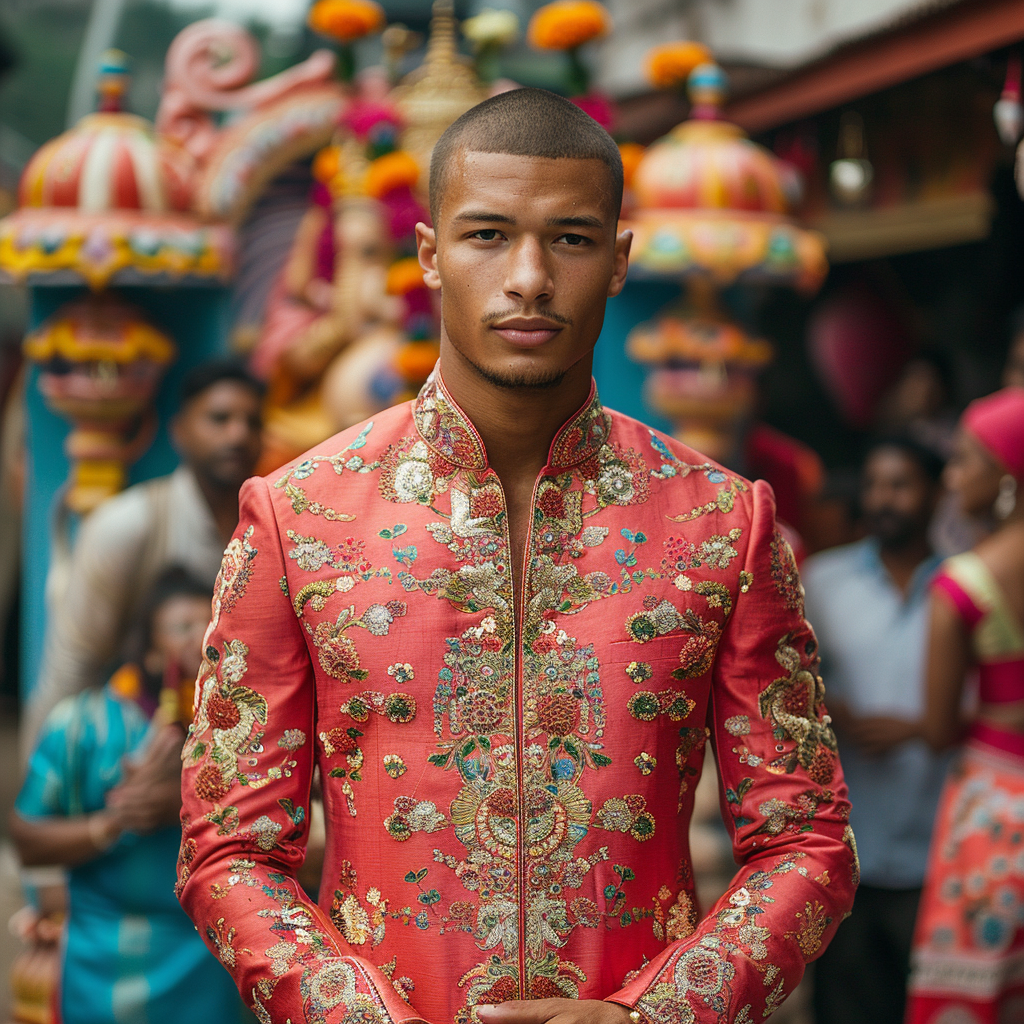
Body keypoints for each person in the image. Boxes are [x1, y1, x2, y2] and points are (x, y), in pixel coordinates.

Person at [177, 88, 857, 1024]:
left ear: (618, 261)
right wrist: (353, 1013)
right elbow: (229, 848)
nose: (529, 277)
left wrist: (653, 1015)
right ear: (429, 256)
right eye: (488, 235)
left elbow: (808, 842)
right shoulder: (296, 519)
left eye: (571, 240)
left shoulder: (722, 524)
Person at [11, 568, 250, 1024]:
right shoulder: (83, 724)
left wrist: (189, 800)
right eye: (181, 627)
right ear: (149, 652)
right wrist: (116, 820)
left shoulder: (242, 735)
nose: (198, 642)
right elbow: (25, 836)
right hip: (98, 955)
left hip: (205, 957)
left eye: (209, 627)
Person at [23, 358, 264, 753]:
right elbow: (71, 666)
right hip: (134, 747)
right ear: (180, 432)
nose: (238, 434)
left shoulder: (265, 532)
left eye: (252, 422)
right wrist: (43, 786)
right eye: (219, 419)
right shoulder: (126, 525)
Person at [801, 438, 950, 1024]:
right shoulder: (822, 579)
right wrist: (834, 708)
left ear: (937, 494)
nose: (885, 499)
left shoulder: (966, 584)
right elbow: (788, 677)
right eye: (876, 485)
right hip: (846, 845)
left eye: (903, 484)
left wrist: (922, 728)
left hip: (935, 841)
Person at [899, 387, 1024, 1022]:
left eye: (965, 460)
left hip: (995, 814)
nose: (952, 476)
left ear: (1007, 477)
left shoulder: (963, 586)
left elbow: (938, 727)